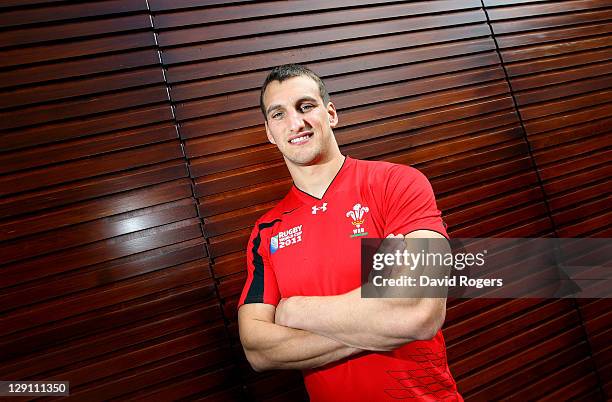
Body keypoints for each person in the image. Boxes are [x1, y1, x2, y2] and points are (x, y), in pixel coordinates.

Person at [237, 64, 462, 401]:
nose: (295, 123)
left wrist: (295, 311)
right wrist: (385, 319)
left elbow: (422, 312)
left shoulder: (396, 183)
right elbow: (258, 350)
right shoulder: (267, 232)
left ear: (331, 114)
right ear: (269, 132)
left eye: (306, 106)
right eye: (279, 114)